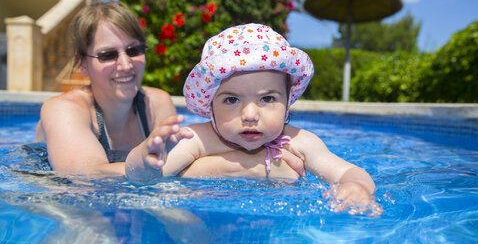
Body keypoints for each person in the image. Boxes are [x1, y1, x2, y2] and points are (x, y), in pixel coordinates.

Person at [127, 23, 379, 213]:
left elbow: (349, 172)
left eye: (267, 99)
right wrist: (146, 159)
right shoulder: (197, 140)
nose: (249, 115)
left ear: (287, 101)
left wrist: (356, 187)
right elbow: (143, 181)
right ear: (210, 105)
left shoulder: (300, 142)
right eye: (231, 100)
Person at [35, 1, 302, 178]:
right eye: (107, 55)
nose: (125, 64)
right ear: (82, 63)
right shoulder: (63, 110)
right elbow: (84, 178)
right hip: (52, 195)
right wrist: (255, 167)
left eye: (134, 50)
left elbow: (168, 172)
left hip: (125, 185)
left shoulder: (155, 103)